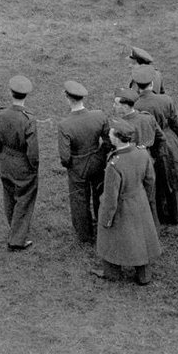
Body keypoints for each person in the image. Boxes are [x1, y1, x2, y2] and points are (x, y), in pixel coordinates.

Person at [90, 121, 161, 285]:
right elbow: (150, 180)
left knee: (110, 237)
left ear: (117, 138)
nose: (108, 135)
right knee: (142, 237)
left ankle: (111, 272)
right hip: (140, 199)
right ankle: (144, 275)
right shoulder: (142, 153)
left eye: (111, 133)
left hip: (122, 205)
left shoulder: (114, 165)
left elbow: (110, 198)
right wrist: (146, 199)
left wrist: (106, 218)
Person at [133, 65, 178, 223]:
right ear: (152, 84)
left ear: (137, 86)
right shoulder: (166, 100)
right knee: (175, 178)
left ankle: (162, 213)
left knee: (158, 180)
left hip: (152, 143)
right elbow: (176, 122)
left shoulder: (137, 105)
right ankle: (177, 214)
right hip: (170, 139)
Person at [0, 75, 39, 251]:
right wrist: (33, 167)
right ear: (26, 95)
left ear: (10, 92)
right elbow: (32, 151)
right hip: (23, 164)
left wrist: (3, 154)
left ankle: (14, 229)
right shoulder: (28, 120)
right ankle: (17, 240)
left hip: (5, 161)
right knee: (24, 199)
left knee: (9, 196)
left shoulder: (0, 114)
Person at [57, 81, 108, 244]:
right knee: (100, 193)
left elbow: (64, 157)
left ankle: (85, 234)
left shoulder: (65, 125)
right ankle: (103, 228)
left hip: (78, 166)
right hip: (98, 162)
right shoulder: (99, 115)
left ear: (67, 98)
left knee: (79, 199)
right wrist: (100, 154)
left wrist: (72, 164)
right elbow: (108, 140)